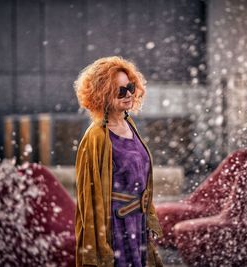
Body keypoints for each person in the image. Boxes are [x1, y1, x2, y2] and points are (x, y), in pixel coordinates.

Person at [74, 56, 163, 267]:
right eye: (120, 91)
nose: (129, 94)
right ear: (102, 95)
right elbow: (88, 199)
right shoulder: (96, 136)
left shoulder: (128, 123)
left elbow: (141, 178)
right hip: (117, 228)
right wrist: (98, 246)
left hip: (138, 224)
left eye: (130, 87)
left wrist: (147, 215)